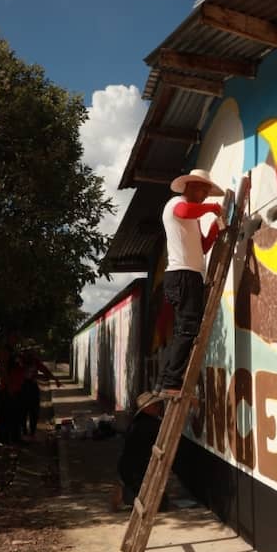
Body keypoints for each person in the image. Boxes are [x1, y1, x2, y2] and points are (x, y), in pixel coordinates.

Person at [157, 168, 225, 396]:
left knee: (183, 330)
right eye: (204, 190)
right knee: (187, 329)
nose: (206, 196)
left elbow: (203, 247)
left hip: (189, 275)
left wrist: (215, 227)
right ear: (191, 186)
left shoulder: (192, 219)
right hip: (183, 275)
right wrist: (211, 209)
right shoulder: (177, 203)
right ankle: (171, 383)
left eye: (208, 192)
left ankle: (166, 380)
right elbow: (185, 210)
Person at [111, 391, 192, 512]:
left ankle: (127, 492)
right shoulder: (148, 424)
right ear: (147, 408)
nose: (158, 408)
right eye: (155, 406)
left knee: (160, 501)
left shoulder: (140, 421)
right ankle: (125, 494)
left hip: (132, 469)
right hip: (135, 472)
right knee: (160, 505)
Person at [19, 348, 61, 438]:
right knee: (23, 411)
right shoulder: (19, 361)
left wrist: (55, 379)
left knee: (33, 411)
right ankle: (24, 432)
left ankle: (31, 432)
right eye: (27, 353)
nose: (30, 355)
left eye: (31, 353)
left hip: (32, 387)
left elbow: (45, 370)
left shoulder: (35, 361)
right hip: (21, 388)